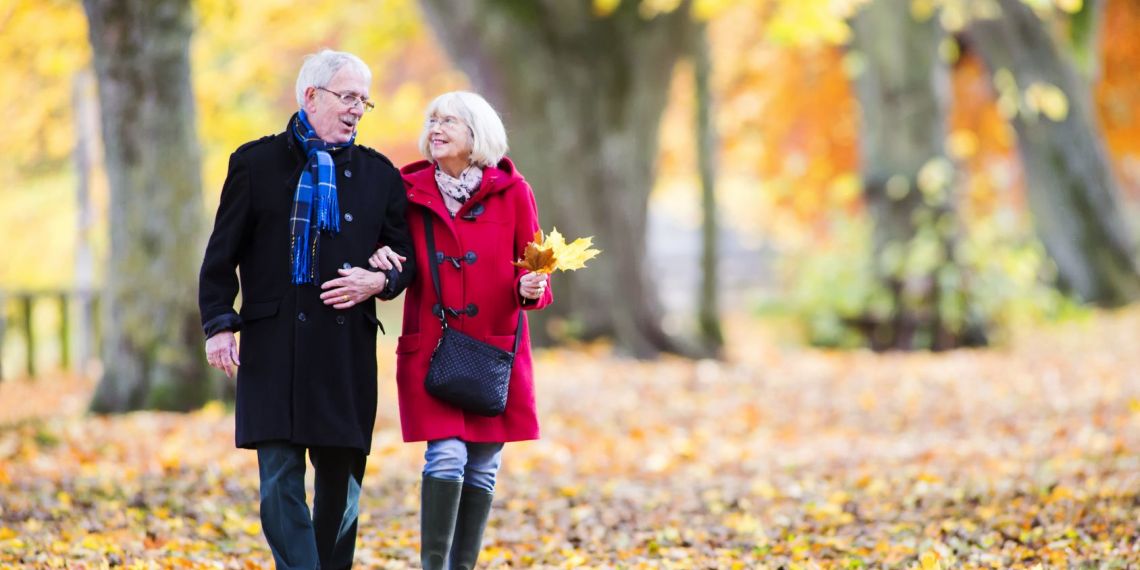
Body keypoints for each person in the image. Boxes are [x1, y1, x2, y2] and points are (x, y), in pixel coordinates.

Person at [198, 49, 415, 570]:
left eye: (364, 99)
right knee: (278, 483)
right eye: (348, 96)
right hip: (274, 347)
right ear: (311, 96)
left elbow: (404, 259)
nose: (358, 108)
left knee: (341, 489)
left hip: (344, 350)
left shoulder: (379, 174)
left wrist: (379, 279)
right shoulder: (255, 163)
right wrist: (220, 324)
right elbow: (220, 257)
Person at [368, 91, 552, 569]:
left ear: (478, 134)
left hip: (495, 348)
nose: (437, 127)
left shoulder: (514, 193)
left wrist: (531, 285)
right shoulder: (406, 191)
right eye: (433, 119)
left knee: (484, 467)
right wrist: (379, 259)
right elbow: (387, 252)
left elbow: (533, 274)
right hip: (432, 347)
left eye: (450, 120)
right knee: (446, 456)